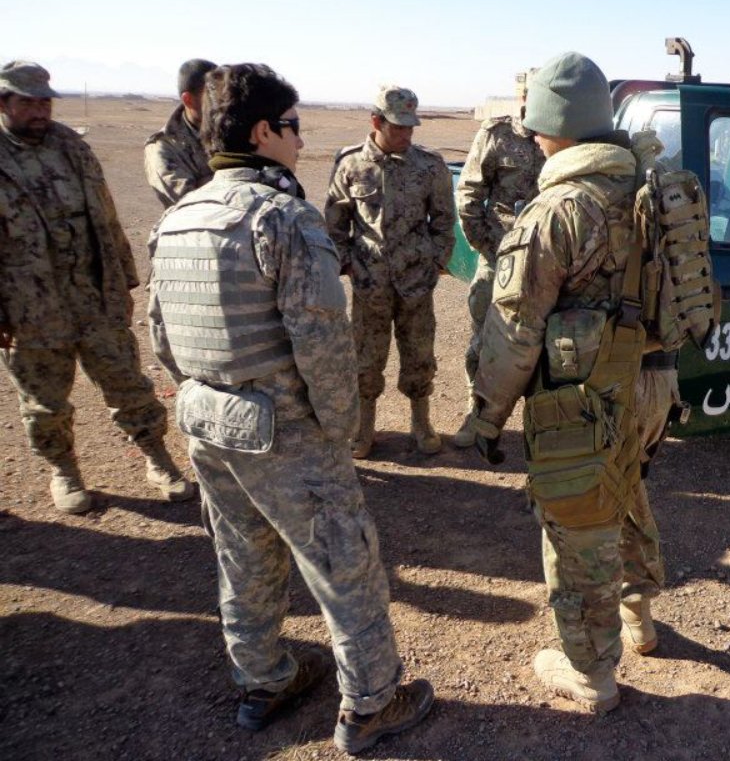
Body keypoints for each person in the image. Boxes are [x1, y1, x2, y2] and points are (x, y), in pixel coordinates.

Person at [147, 63, 433, 754]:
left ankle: (264, 678)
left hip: (207, 421)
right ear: (263, 132)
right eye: (295, 128)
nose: (302, 143)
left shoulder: (181, 217)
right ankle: (372, 702)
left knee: (242, 556)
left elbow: (161, 339)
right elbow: (324, 348)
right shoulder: (281, 216)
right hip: (283, 430)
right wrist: (335, 435)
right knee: (345, 559)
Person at [469, 52, 656, 713]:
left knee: (577, 525)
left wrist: (485, 415)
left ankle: (588, 671)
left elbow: (514, 330)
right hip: (646, 384)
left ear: (560, 127)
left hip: (577, 400)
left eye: (539, 126)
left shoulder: (558, 211)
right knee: (625, 491)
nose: (535, 138)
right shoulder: (646, 187)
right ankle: (639, 617)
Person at [0, 60, 194, 514]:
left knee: (128, 383)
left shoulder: (71, 146)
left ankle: (157, 458)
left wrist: (125, 280)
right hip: (29, 307)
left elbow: (106, 216)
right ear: (4, 102)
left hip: (95, 296)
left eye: (44, 101)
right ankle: (64, 470)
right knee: (45, 401)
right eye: (27, 101)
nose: (39, 110)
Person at [325, 86, 455, 459]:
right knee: (365, 358)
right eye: (398, 127)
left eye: (411, 127)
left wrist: (435, 263)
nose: (407, 135)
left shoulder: (430, 165)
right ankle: (364, 427)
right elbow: (336, 225)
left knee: (419, 354)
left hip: (417, 282)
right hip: (370, 285)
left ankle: (421, 422)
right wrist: (350, 265)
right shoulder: (350, 164)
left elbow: (445, 221)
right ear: (376, 121)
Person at [452, 69, 544, 448]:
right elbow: (469, 195)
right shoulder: (497, 135)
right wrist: (488, 248)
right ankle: (477, 416)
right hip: (500, 256)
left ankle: (541, 423)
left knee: (543, 342)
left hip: (544, 260)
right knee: (485, 338)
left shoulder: (561, 139)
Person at [144, 58, 217, 208]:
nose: (220, 103)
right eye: (211, 96)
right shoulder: (163, 147)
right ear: (188, 100)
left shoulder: (230, 133)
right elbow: (191, 205)